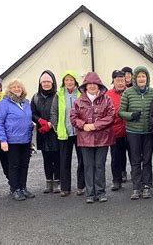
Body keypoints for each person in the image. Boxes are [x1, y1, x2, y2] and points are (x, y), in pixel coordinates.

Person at [70, 72, 115, 203]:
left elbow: (111, 116)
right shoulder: (79, 101)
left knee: (99, 165)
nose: (92, 86)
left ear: (99, 85)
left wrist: (95, 125)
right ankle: (90, 193)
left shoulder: (106, 100)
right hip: (85, 139)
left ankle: (100, 192)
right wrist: (84, 126)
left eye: (94, 84)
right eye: (89, 84)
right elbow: (73, 118)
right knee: (88, 166)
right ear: (85, 86)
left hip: (103, 138)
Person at [119, 66, 153, 200]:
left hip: (148, 132)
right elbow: (121, 112)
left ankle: (146, 186)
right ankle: (136, 187)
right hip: (133, 132)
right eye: (139, 76)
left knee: (147, 160)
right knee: (135, 160)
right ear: (135, 78)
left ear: (147, 78)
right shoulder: (128, 93)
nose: (141, 79)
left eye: (144, 76)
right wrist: (131, 115)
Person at [0, 79, 35, 201]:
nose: (17, 89)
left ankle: (23, 187)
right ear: (9, 90)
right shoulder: (4, 104)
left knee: (24, 165)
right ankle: (15, 189)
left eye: (19, 87)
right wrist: (3, 140)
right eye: (14, 87)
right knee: (14, 165)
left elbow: (29, 121)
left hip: (26, 140)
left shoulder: (26, 103)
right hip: (12, 141)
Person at [50, 70, 85, 197]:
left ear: (75, 81)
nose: (69, 82)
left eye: (71, 80)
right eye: (66, 80)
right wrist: (55, 126)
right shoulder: (58, 95)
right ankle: (65, 188)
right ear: (63, 82)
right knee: (64, 161)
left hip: (80, 132)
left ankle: (81, 186)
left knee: (82, 160)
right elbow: (53, 112)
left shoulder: (82, 94)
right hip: (64, 132)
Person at [31, 71, 60, 194]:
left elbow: (61, 113)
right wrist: (40, 121)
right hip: (42, 132)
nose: (46, 84)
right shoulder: (36, 97)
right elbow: (31, 113)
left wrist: (51, 124)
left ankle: (58, 181)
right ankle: (49, 182)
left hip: (55, 131)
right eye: (44, 82)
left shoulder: (58, 96)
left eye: (48, 81)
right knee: (46, 158)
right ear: (40, 83)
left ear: (52, 82)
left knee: (57, 157)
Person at [106, 70, 129, 191]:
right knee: (116, 157)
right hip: (115, 131)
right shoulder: (108, 95)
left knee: (135, 157)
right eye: (117, 80)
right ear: (113, 81)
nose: (120, 83)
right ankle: (116, 180)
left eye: (122, 80)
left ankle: (137, 179)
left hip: (131, 131)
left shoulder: (130, 92)